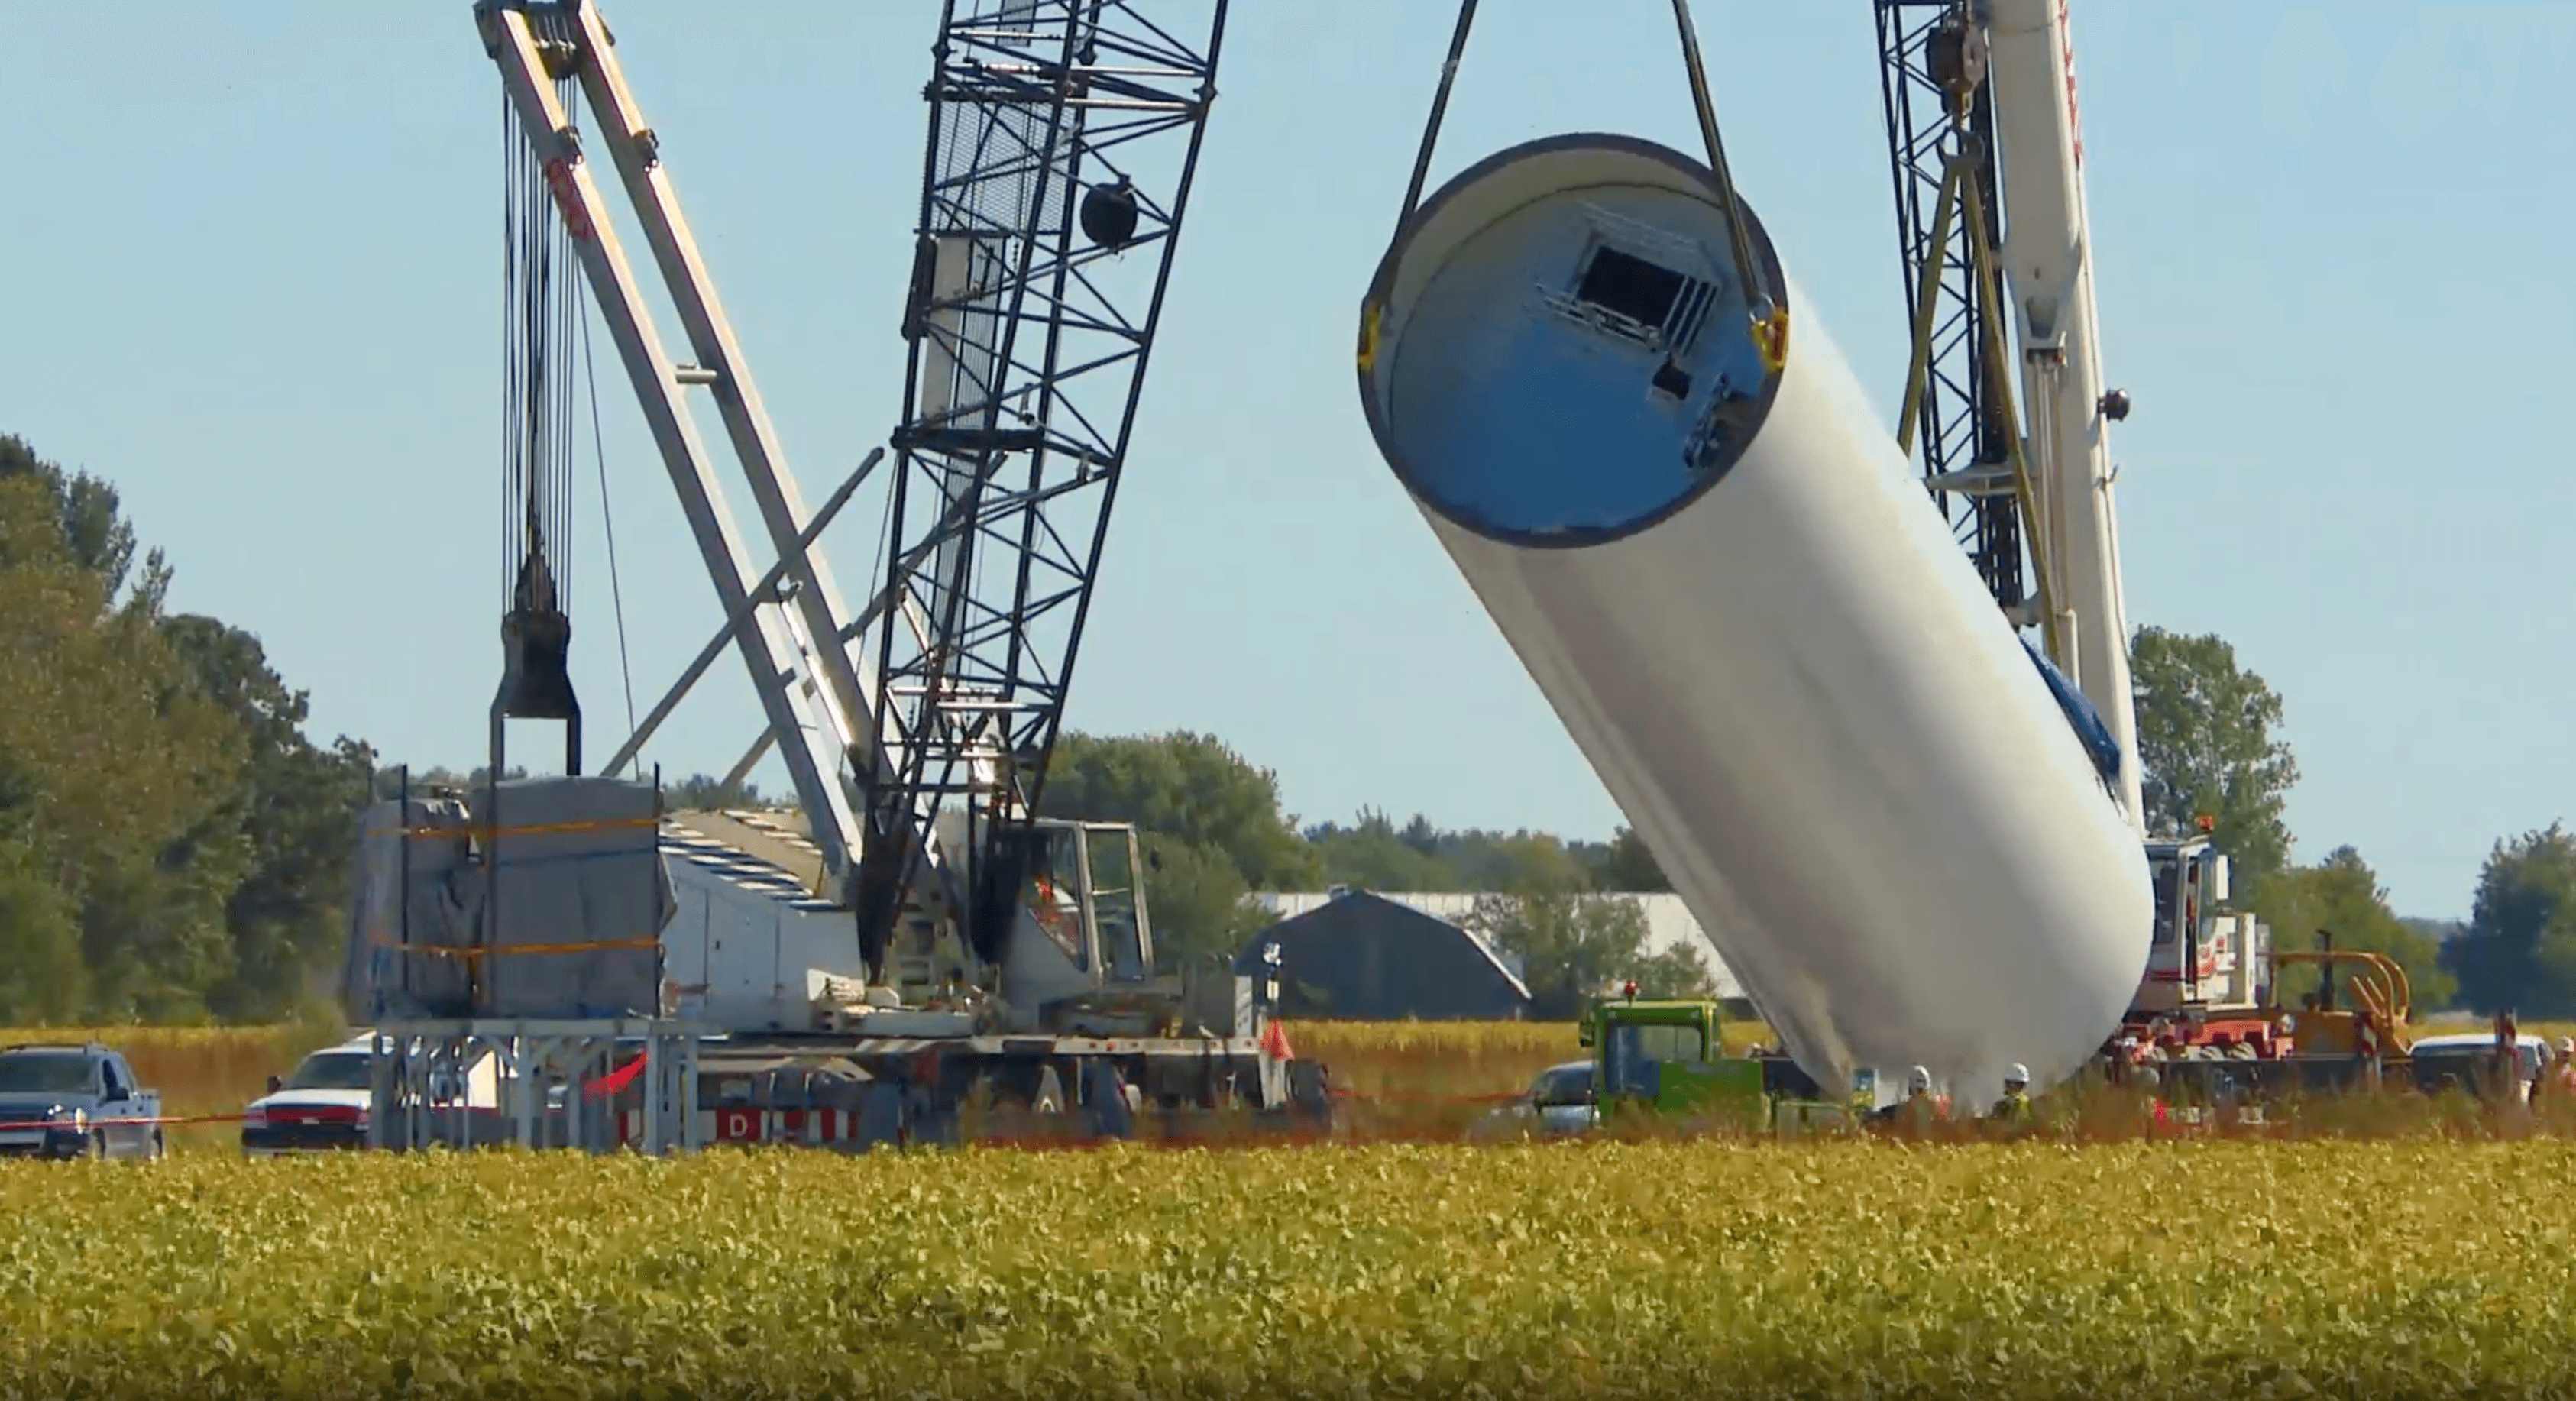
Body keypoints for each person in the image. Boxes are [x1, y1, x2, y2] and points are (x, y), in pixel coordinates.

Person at [1989, 1063, 2035, 1128]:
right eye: (2011, 1084)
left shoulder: (2000, 1106)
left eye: (2016, 1085)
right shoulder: (2032, 1105)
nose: (2013, 1088)